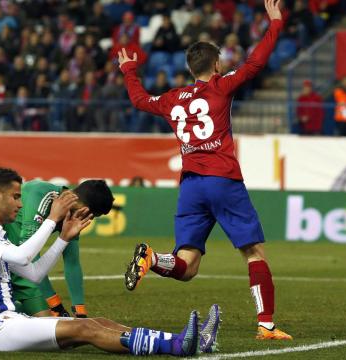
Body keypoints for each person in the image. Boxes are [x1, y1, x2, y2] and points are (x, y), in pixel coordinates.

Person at [118, 0, 292, 341]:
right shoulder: (220, 86)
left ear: (188, 67)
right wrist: (275, 24)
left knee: (187, 266)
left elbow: (140, 101)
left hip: (191, 186)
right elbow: (255, 63)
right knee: (254, 253)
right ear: (216, 63)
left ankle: (153, 259)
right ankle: (266, 325)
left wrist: (128, 71)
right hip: (223, 180)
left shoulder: (172, 98)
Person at [0, 167, 220, 355]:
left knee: (98, 322)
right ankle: (174, 346)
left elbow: (32, 273)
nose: (20, 204)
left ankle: (181, 340)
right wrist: (51, 219)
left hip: (5, 320)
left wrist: (63, 239)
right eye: (15, 197)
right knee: (84, 328)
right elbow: (24, 255)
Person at [5, 178, 114, 319]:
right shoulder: (40, 194)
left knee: (47, 322)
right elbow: (29, 254)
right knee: (42, 322)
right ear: (85, 209)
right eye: (93, 216)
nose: (89, 219)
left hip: (19, 264)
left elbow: (72, 261)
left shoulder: (74, 212)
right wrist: (54, 304)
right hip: (1, 261)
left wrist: (80, 311)